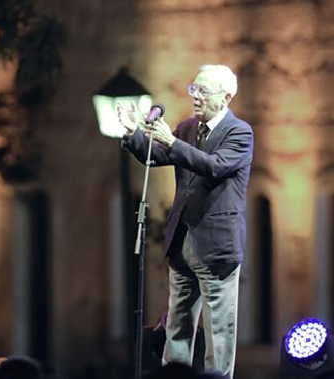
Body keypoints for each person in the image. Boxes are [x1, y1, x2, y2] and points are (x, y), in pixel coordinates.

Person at [117, 64, 253, 379]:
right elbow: (156, 156)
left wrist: (173, 142)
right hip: (181, 244)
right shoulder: (188, 127)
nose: (195, 97)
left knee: (219, 333)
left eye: (203, 91)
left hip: (216, 248)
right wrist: (131, 133)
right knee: (177, 326)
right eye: (194, 89)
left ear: (226, 97)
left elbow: (214, 166)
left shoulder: (239, 132)